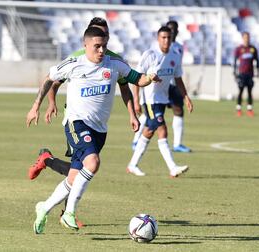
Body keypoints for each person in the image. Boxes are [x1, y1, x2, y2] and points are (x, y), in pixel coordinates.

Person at [26, 27, 160, 234]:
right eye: (97, 46)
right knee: (93, 162)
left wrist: (150, 78)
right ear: (85, 45)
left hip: (100, 130)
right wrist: (36, 106)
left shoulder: (114, 64)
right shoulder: (74, 64)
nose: (101, 50)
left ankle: (44, 207)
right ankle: (69, 213)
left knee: (73, 178)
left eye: (104, 46)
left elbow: (137, 79)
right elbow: (49, 79)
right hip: (76, 123)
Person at [28, 17, 137, 181]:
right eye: (97, 33)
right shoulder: (77, 58)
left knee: (82, 167)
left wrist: (132, 114)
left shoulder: (114, 61)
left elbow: (124, 87)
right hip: (77, 118)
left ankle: (47, 160)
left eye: (105, 34)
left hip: (98, 122)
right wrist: (51, 103)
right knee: (83, 166)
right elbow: (55, 82)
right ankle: (66, 204)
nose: (101, 36)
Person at [127, 26, 193, 177]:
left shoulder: (174, 56)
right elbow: (135, 77)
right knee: (162, 129)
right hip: (150, 100)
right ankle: (172, 167)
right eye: (163, 37)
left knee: (149, 131)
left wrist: (186, 97)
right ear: (158, 39)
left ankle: (132, 165)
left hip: (162, 99)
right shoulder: (150, 55)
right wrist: (136, 100)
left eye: (168, 38)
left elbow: (178, 79)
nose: (166, 40)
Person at [234, 31, 259, 117]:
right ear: (242, 38)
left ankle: (249, 109)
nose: (246, 39)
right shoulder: (239, 49)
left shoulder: (253, 49)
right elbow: (235, 61)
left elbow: (257, 61)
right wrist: (235, 72)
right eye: (245, 37)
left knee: (249, 92)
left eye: (248, 37)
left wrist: (258, 71)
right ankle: (238, 109)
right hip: (242, 73)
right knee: (240, 91)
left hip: (250, 74)